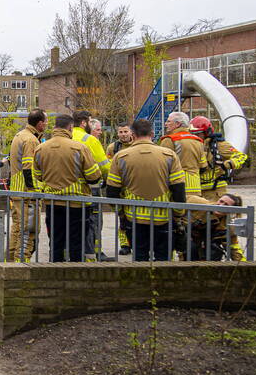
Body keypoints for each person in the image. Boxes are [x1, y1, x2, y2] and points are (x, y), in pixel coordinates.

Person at [106, 118, 187, 262]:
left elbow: (112, 191)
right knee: (164, 259)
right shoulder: (169, 155)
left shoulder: (120, 157)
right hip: (163, 217)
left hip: (133, 217)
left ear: (133, 135)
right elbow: (178, 189)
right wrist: (178, 215)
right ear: (152, 133)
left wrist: (121, 214)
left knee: (139, 259)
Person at [33, 114, 102, 262]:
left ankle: (55, 270)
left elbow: (38, 176)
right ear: (70, 127)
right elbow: (94, 176)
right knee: (76, 244)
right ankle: (74, 272)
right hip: (77, 203)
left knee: (56, 242)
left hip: (53, 203)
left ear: (55, 127)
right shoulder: (80, 148)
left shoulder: (40, 148)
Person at [7, 109, 47, 261]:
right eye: (46, 122)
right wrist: (34, 190)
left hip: (17, 190)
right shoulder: (31, 140)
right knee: (28, 231)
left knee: (17, 229)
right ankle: (21, 264)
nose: (47, 125)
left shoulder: (20, 135)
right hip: (26, 193)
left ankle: (9, 263)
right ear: (40, 123)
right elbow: (28, 168)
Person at [73, 111, 109, 260]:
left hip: (65, 190)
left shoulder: (66, 136)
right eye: (89, 121)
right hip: (90, 189)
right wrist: (108, 181)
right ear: (83, 123)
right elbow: (104, 166)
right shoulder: (90, 140)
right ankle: (93, 254)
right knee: (93, 222)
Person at [190, 116, 248, 202]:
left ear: (207, 132)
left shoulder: (219, 145)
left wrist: (229, 164)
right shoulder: (191, 146)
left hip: (215, 191)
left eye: (197, 134)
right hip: (197, 190)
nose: (194, 136)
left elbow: (241, 156)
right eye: (191, 133)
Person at [182, 192, 247, 261]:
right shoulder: (198, 202)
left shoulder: (228, 226)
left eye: (226, 205)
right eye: (221, 201)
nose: (221, 205)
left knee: (215, 252)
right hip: (182, 233)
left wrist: (243, 264)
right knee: (191, 248)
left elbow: (233, 247)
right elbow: (177, 202)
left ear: (230, 211)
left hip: (201, 241)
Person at [159, 111, 207, 196]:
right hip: (195, 188)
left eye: (168, 121)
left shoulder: (169, 140)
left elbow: (162, 166)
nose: (165, 124)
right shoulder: (198, 141)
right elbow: (203, 166)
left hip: (177, 188)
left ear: (177, 124)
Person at [107, 122, 134, 255]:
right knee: (122, 217)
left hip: (133, 186)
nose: (123, 135)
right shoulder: (113, 148)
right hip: (120, 187)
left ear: (131, 132)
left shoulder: (136, 145)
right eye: (121, 132)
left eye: (126, 132)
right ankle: (125, 244)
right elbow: (109, 166)